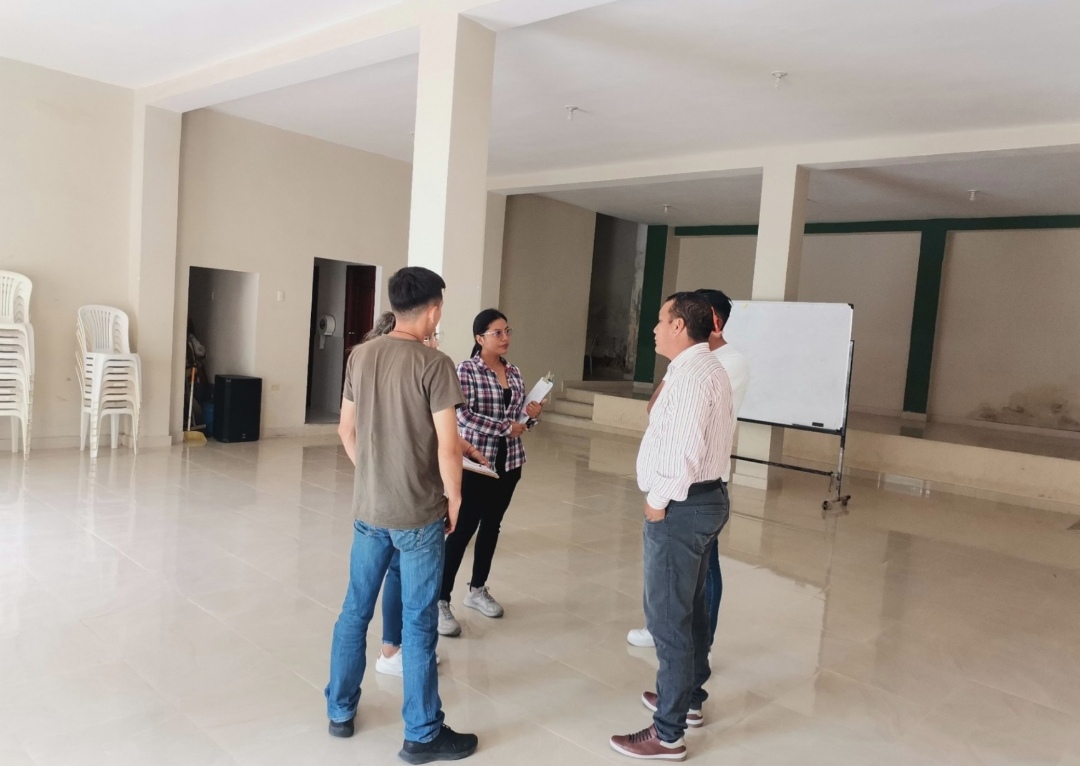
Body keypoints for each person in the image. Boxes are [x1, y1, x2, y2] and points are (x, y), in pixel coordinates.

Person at [325, 267, 478, 764]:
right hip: (417, 516)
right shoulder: (435, 364)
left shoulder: (361, 355)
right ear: (433, 311)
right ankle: (422, 733)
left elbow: (346, 430)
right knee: (417, 622)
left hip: (369, 509)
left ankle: (340, 711)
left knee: (355, 610)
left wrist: (374, 475)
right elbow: (449, 447)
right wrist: (454, 499)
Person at [610, 293, 734, 762]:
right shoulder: (707, 367)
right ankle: (688, 698)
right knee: (692, 609)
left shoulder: (690, 378)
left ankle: (667, 734)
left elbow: (682, 451)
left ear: (680, 325)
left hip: (681, 506)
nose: (655, 329)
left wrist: (656, 502)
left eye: (661, 320)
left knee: (668, 619)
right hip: (707, 498)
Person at [356, 312, 490, 678]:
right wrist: (454, 496)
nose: (435, 341)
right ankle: (394, 652)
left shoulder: (385, 366)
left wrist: (464, 447)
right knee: (402, 581)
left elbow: (434, 430)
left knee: (390, 582)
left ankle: (394, 650)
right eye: (431, 335)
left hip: (393, 495)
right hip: (408, 501)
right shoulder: (422, 368)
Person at [627, 288, 749, 652]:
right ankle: (671, 633)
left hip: (699, 484)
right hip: (686, 483)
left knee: (702, 571)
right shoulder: (687, 362)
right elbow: (655, 406)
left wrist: (657, 500)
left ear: (713, 321)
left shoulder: (721, 365)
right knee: (682, 577)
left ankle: (695, 643)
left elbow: (688, 440)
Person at [437, 309, 543, 637]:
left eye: (507, 331)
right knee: (462, 529)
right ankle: (440, 599)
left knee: (492, 526)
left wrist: (532, 415)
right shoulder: (466, 370)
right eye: (497, 333)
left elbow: (520, 419)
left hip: (510, 463)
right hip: (476, 463)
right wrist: (504, 427)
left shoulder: (514, 372)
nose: (505, 337)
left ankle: (477, 589)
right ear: (479, 338)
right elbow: (462, 416)